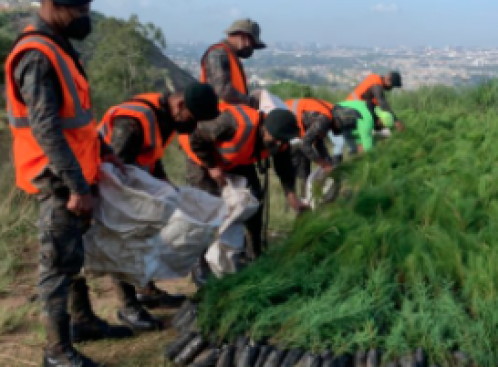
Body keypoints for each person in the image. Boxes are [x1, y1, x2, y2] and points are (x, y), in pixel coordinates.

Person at [5, 0, 133, 367]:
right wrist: (77, 186)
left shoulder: (58, 47)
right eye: (79, 9)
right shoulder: (38, 55)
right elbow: (46, 129)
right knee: (57, 266)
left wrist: (104, 150)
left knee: (72, 256)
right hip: (58, 178)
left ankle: (83, 322)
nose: (85, 16)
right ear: (53, 6)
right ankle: (57, 353)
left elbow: (77, 119)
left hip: (75, 172)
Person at [97, 83, 220, 331]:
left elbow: (151, 154)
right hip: (103, 185)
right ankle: (128, 307)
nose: (193, 125)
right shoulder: (132, 122)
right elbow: (112, 170)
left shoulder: (164, 117)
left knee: (145, 235)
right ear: (180, 105)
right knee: (123, 240)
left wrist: (164, 184)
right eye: (193, 118)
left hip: (129, 181)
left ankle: (146, 291)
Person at [179, 105, 307, 279]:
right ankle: (199, 264)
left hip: (235, 159)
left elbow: (284, 168)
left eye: (283, 140)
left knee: (254, 200)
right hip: (202, 158)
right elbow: (196, 137)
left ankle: (254, 255)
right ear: (265, 128)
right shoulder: (234, 123)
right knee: (206, 210)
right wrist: (212, 166)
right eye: (276, 139)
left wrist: (292, 197)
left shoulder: (279, 140)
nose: (278, 144)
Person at [284, 98, 361, 186]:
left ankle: (305, 190)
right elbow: (305, 144)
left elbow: (318, 142)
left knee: (305, 166)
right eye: (342, 128)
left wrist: (329, 163)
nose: (341, 131)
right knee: (302, 162)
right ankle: (301, 191)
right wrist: (324, 164)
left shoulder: (328, 114)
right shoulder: (324, 119)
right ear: (340, 122)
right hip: (283, 119)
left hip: (289, 119)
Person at [200, 18, 266, 108]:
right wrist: (252, 101)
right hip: (220, 114)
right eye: (252, 44)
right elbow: (224, 91)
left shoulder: (230, 56)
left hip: (233, 113)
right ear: (243, 37)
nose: (251, 48)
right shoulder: (219, 54)